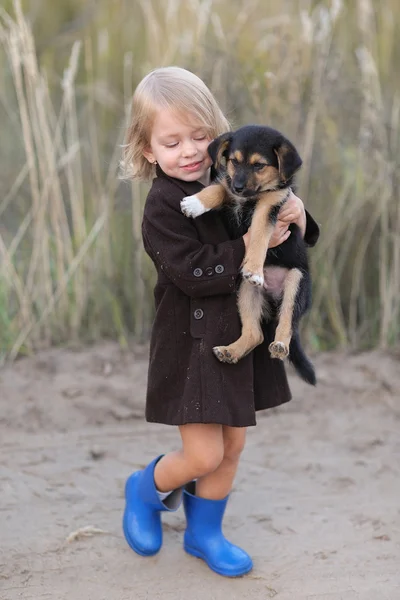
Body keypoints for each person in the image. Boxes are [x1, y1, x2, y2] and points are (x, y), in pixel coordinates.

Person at [120, 66, 319, 577]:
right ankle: (144, 489)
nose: (188, 150)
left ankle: (204, 534)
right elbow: (190, 273)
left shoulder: (233, 175)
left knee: (232, 446)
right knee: (203, 453)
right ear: (148, 150)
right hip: (192, 341)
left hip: (239, 335)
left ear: (219, 139)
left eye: (199, 136)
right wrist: (252, 248)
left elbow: (287, 222)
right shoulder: (163, 205)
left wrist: (297, 213)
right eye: (171, 141)